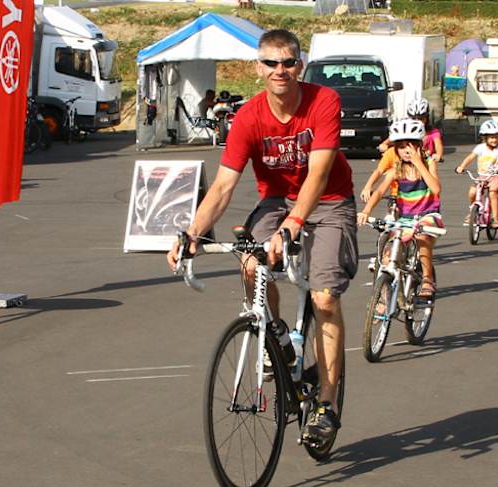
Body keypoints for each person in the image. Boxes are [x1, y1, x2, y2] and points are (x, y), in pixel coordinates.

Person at [167, 29, 357, 445]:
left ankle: (326, 404)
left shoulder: (323, 101)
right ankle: (277, 337)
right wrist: (192, 233)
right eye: (271, 62)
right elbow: (221, 187)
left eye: (288, 62)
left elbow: (319, 172)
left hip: (328, 200)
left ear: (299, 65)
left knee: (324, 297)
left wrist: (293, 226)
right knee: (250, 262)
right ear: (258, 67)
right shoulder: (249, 116)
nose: (280, 70)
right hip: (276, 201)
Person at [357, 118, 442, 298]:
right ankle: (384, 300)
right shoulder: (396, 169)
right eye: (401, 146)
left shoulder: (428, 163)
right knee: (389, 253)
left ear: (420, 145)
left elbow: (436, 189)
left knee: (422, 238)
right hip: (406, 218)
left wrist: (419, 162)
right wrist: (366, 211)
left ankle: (427, 279)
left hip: (428, 215)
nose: (406, 150)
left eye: (410, 145)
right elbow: (380, 191)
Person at [361, 98, 443, 202]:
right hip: (398, 191)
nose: (407, 150)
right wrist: (368, 187)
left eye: (421, 118)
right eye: (401, 146)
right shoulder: (391, 154)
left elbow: (438, 145)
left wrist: (437, 155)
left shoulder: (427, 157)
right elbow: (379, 172)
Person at [455, 119, 498, 228]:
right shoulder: (480, 148)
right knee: (472, 192)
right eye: (491, 137)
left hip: (494, 176)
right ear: (485, 137)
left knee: (492, 193)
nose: (494, 140)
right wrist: (461, 167)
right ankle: (472, 211)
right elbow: (470, 157)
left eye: (497, 137)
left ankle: (495, 219)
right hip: (482, 176)